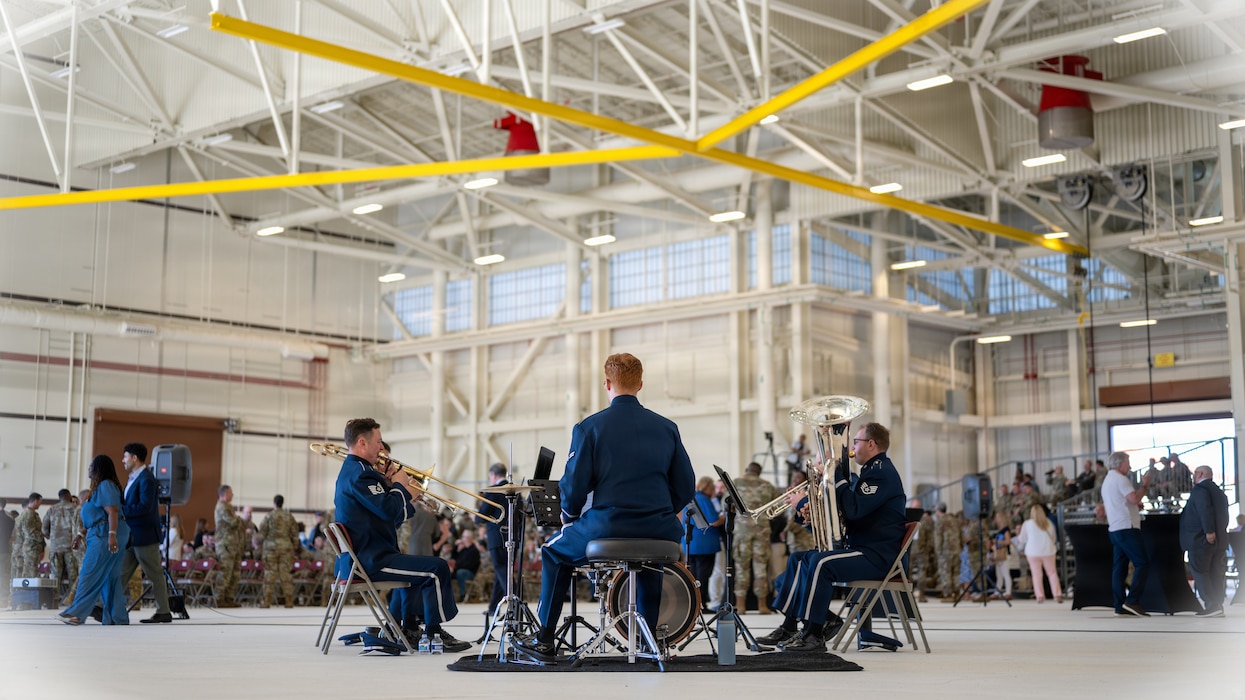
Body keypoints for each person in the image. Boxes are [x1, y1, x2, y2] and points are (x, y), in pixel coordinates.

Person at [514, 353, 696, 663]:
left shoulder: (589, 428)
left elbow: (572, 489)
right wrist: (661, 513)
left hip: (607, 526)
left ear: (607, 384)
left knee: (553, 552)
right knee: (650, 557)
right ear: (640, 384)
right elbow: (686, 486)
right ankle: (645, 640)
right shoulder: (667, 428)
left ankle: (544, 640)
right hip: (660, 529)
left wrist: (569, 517)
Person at [758, 422, 907, 652]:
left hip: (876, 554)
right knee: (799, 560)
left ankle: (813, 635)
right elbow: (847, 519)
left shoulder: (881, 474)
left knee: (820, 563)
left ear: (871, 443)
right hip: (861, 547)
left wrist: (834, 470)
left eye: (855, 441)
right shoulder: (870, 472)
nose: (852, 447)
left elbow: (854, 509)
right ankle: (790, 626)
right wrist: (807, 510)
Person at [333, 417, 470, 652]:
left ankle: (409, 628)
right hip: (371, 560)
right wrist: (399, 486)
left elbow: (389, 517)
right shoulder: (361, 474)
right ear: (363, 443)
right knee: (436, 568)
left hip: (367, 557)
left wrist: (399, 491)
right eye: (378, 441)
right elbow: (388, 509)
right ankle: (433, 635)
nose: (381, 446)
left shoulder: (358, 471)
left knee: (419, 569)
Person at [59, 455, 131, 625]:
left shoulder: (106, 485)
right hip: (101, 531)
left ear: (99, 468)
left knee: (88, 573)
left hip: (106, 534)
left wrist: (112, 535)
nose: (89, 468)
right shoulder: (99, 489)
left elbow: (112, 512)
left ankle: (76, 613)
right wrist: (80, 534)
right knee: (110, 577)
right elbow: (96, 516)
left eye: (92, 466)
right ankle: (116, 617)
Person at [118, 443, 173, 623]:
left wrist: (122, 511)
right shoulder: (134, 478)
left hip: (145, 535)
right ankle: (104, 606)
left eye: (125, 456)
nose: (123, 460)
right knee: (121, 573)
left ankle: (163, 611)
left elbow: (145, 507)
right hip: (133, 536)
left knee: (155, 574)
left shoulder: (147, 479)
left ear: (135, 458)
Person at [1100, 451, 1151, 617]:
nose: (1130, 466)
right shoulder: (1121, 479)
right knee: (1142, 563)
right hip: (1127, 527)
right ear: (1119, 464)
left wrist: (1134, 506)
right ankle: (1132, 601)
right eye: (1127, 463)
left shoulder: (1107, 480)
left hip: (1114, 528)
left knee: (1119, 568)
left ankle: (1119, 604)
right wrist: (1145, 485)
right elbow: (1134, 498)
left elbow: (1124, 502)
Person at [1180, 466, 1229, 617]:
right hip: (1219, 541)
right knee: (1215, 573)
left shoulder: (1200, 490)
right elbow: (1224, 516)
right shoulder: (1219, 491)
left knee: (1201, 572)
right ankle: (1218, 604)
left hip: (1202, 539)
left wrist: (1209, 531)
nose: (1193, 476)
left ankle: (1211, 605)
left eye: (1195, 473)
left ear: (1200, 474)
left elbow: (1204, 509)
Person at [732, 461, 777, 613]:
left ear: (746, 470)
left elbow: (728, 504)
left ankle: (740, 605)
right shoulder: (767, 485)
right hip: (761, 531)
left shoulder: (736, 482)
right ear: (759, 472)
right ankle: (762, 605)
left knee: (741, 567)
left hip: (742, 531)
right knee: (761, 568)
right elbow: (774, 508)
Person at [475, 463, 511, 619]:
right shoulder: (513, 490)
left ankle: (514, 602)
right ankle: (493, 607)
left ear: (494, 475)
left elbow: (482, 515)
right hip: (511, 536)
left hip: (496, 537)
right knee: (501, 572)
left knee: (501, 569)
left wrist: (476, 518)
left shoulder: (492, 491)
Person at [686, 476, 725, 612]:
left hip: (691, 542)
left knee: (692, 575)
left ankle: (693, 605)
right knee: (703, 575)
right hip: (705, 543)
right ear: (707, 486)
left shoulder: (690, 497)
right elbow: (713, 520)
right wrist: (724, 517)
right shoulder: (704, 499)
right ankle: (701, 605)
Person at [1014, 504, 1062, 603]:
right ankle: (1057, 595)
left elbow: (1022, 539)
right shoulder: (1049, 523)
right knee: (1052, 573)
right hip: (1048, 551)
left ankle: (1040, 596)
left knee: (1036, 575)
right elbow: (1054, 538)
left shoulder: (1027, 524)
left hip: (1033, 552)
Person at [259, 494, 300, 608]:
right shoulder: (289, 516)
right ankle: (289, 601)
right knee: (285, 574)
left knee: (269, 573)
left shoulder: (269, 516)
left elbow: (262, 532)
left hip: (270, 548)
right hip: (286, 548)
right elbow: (295, 533)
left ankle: (266, 601)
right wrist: (295, 546)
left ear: (274, 503)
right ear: (283, 503)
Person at [43, 489, 80, 604]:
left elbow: (44, 528)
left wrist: (52, 537)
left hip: (55, 547)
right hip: (71, 547)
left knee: (55, 575)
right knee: (73, 575)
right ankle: (71, 600)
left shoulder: (52, 509)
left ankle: (54, 601)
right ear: (68, 496)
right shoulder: (75, 509)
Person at [214, 485, 245, 608]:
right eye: (231, 493)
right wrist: (238, 519)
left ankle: (229, 598)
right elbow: (234, 522)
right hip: (225, 545)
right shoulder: (222, 507)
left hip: (233, 545)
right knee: (225, 572)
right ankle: (219, 598)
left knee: (235, 573)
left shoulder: (228, 507)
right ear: (225, 494)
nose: (233, 495)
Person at [13, 493, 44, 578]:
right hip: (31, 548)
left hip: (30, 548)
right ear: (36, 501)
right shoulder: (29, 514)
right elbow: (29, 532)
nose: (40, 504)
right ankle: (26, 591)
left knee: (27, 572)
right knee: (30, 574)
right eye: (40, 502)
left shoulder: (31, 514)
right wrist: (42, 536)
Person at [450, 529, 481, 601]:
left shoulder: (474, 551)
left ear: (468, 538)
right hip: (458, 569)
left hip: (469, 572)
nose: (462, 539)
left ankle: (462, 594)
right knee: (447, 573)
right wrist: (456, 548)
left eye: (463, 537)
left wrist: (455, 568)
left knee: (461, 572)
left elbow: (469, 565)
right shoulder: (463, 549)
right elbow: (453, 557)